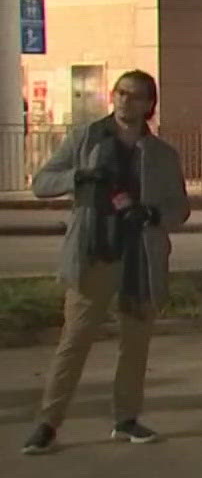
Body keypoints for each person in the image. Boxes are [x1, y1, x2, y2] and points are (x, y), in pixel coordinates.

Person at [21, 70, 189, 455]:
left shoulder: (161, 154)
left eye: (137, 96)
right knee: (75, 340)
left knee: (135, 344)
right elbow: (42, 182)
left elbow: (178, 208)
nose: (127, 102)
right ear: (113, 96)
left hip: (140, 258)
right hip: (95, 252)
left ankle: (127, 417)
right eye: (122, 94)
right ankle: (48, 422)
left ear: (150, 104)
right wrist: (77, 177)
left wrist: (152, 214)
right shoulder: (86, 138)